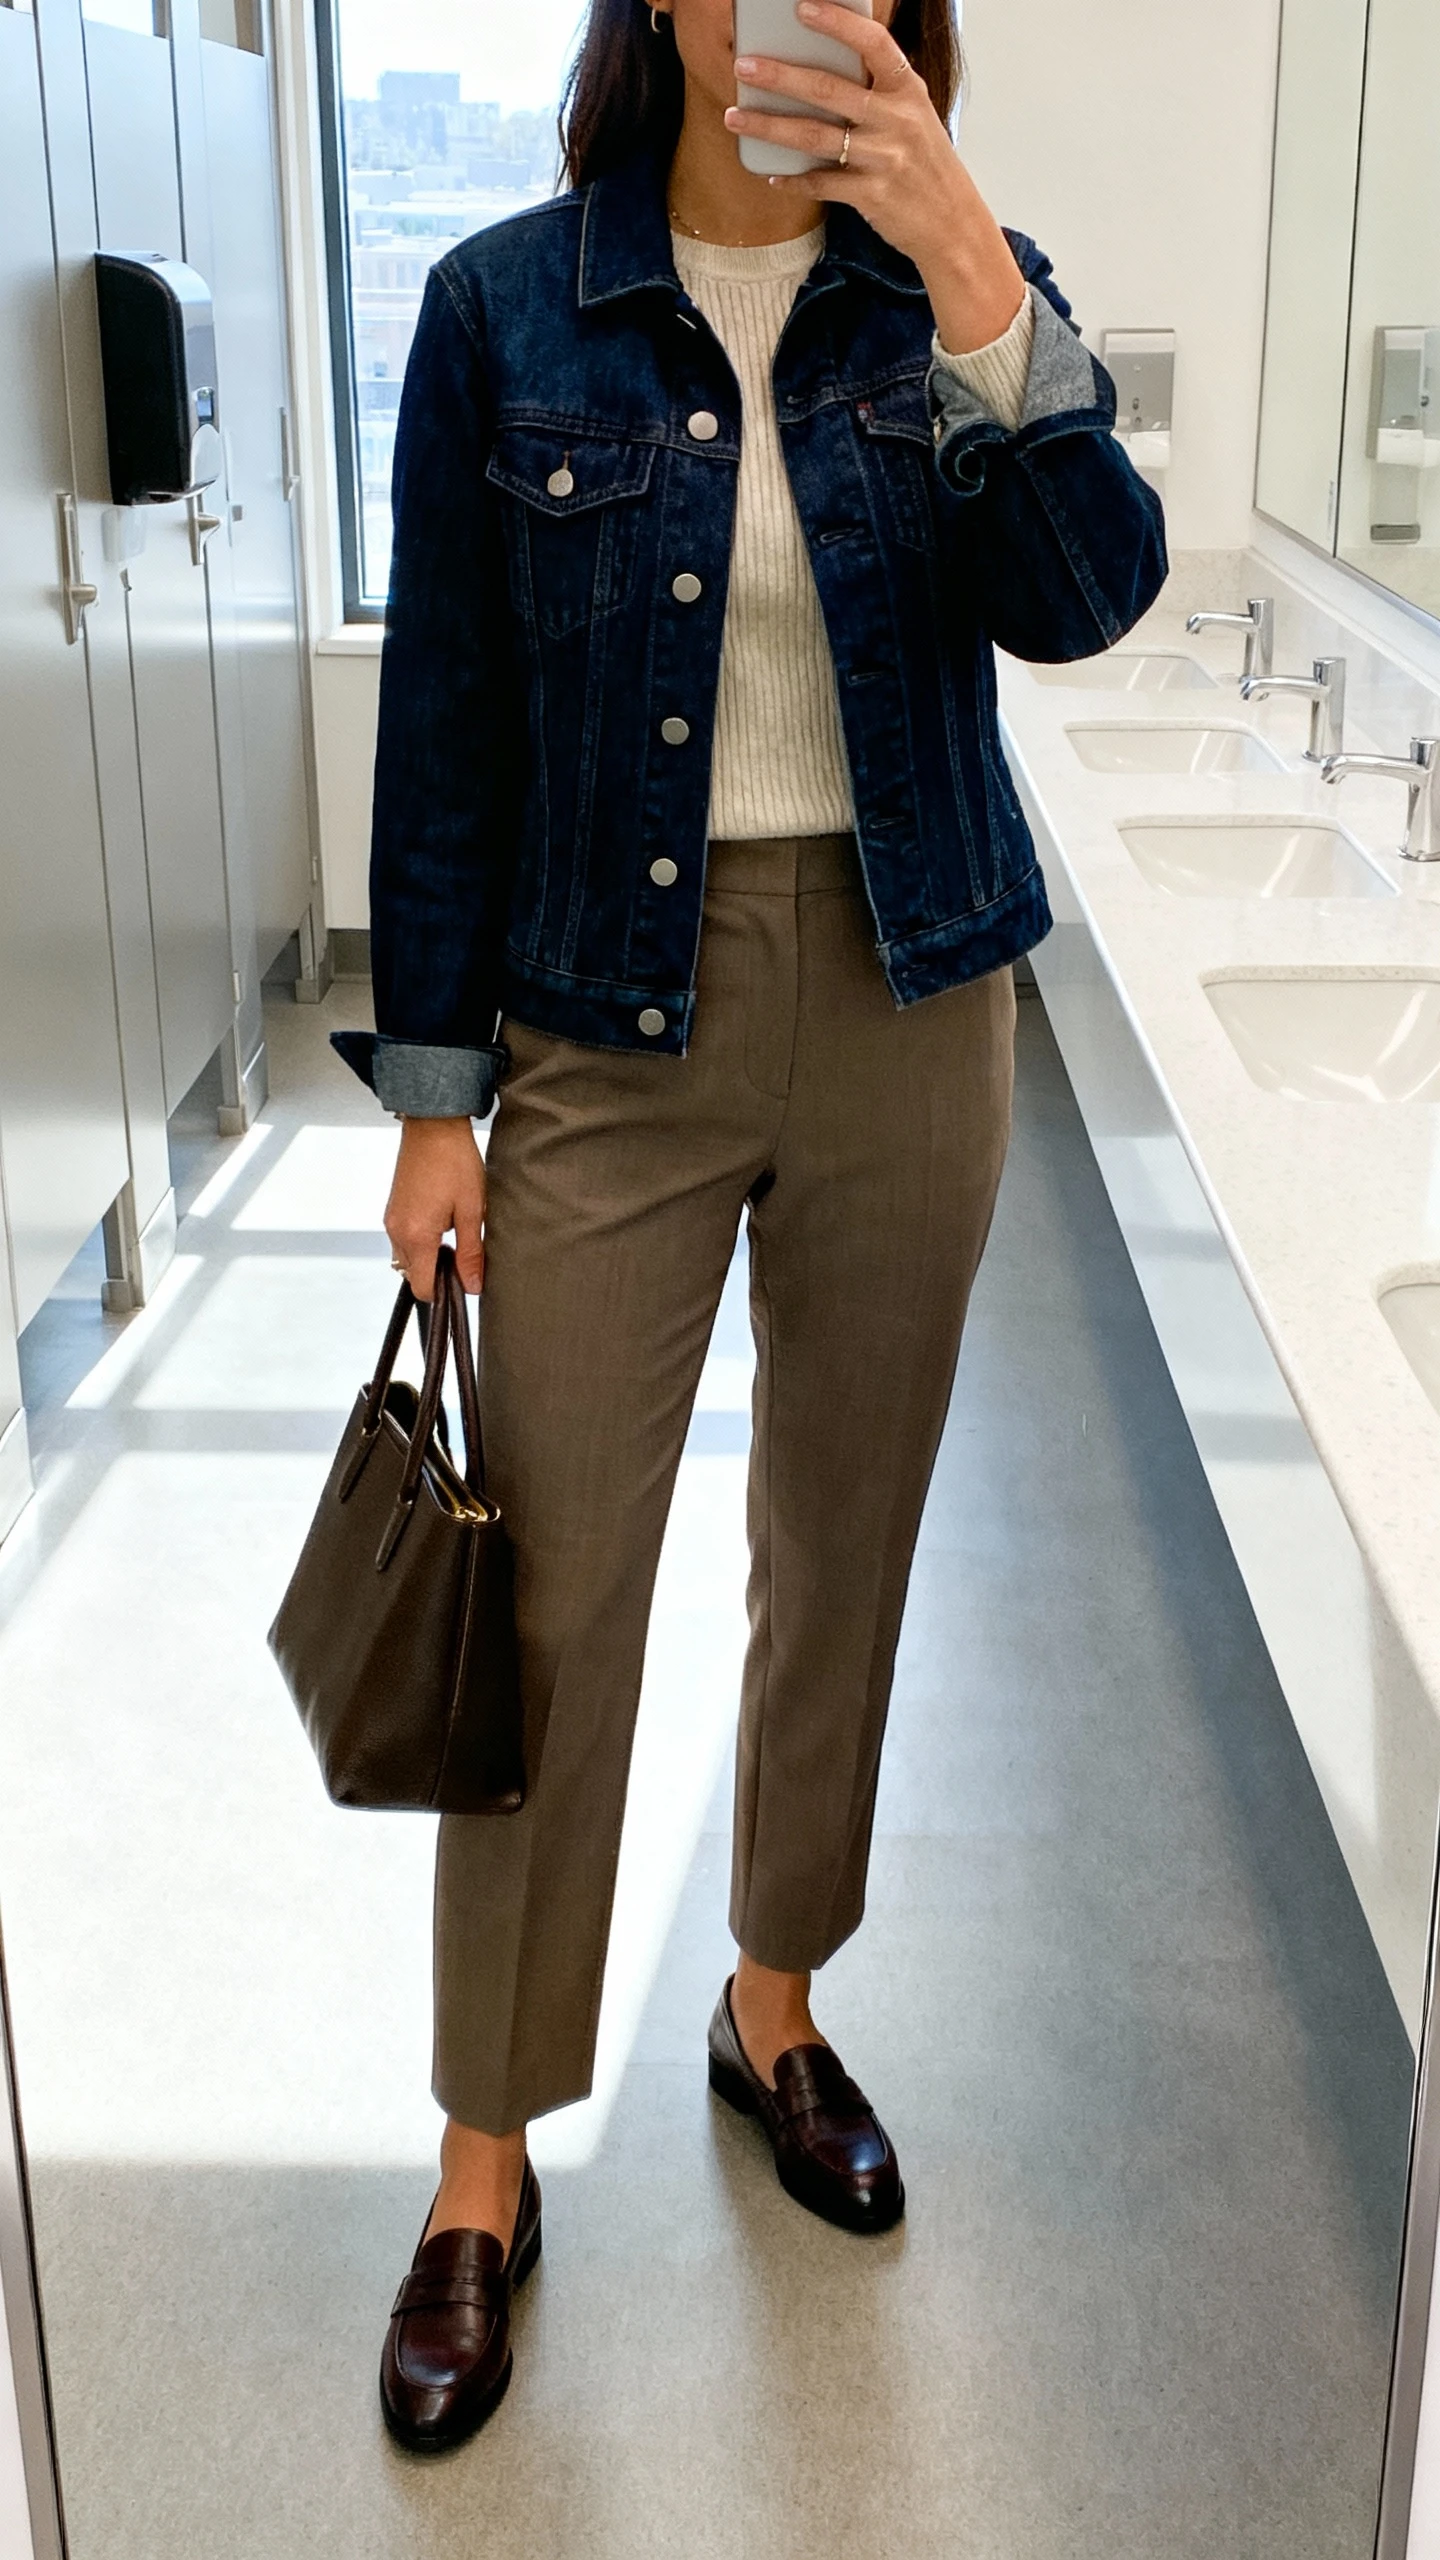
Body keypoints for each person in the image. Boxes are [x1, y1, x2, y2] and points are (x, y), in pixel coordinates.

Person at [336, 0, 1167, 2454]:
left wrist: (978, 283)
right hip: (609, 1017)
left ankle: (772, 1999)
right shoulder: (505, 305)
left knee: (846, 1546)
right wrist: (435, 1097)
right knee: (557, 1582)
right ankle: (487, 2151)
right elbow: (448, 722)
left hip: (920, 1002)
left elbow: (1090, 593)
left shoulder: (951, 285)